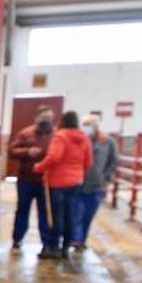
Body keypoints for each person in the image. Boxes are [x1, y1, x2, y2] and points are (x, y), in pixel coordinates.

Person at [34, 110, 92, 259]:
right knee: (70, 215)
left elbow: (54, 157)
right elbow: (88, 162)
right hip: (76, 181)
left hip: (58, 182)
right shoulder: (84, 138)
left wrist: (39, 167)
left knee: (56, 216)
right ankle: (65, 248)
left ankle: (54, 247)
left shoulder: (60, 136)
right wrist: (77, 172)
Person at [7, 105, 56, 252]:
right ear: (37, 118)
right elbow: (11, 150)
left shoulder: (56, 135)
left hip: (46, 181)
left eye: (49, 118)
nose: (46, 121)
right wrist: (27, 151)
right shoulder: (25, 133)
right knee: (22, 210)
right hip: (25, 179)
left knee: (45, 211)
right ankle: (17, 239)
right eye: (44, 118)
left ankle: (46, 243)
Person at [73, 114, 117, 248]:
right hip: (78, 181)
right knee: (76, 212)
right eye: (84, 125)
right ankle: (76, 238)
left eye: (89, 125)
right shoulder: (79, 140)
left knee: (88, 213)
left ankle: (82, 239)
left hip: (97, 184)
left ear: (96, 126)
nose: (86, 128)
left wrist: (106, 177)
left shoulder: (107, 142)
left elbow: (113, 161)